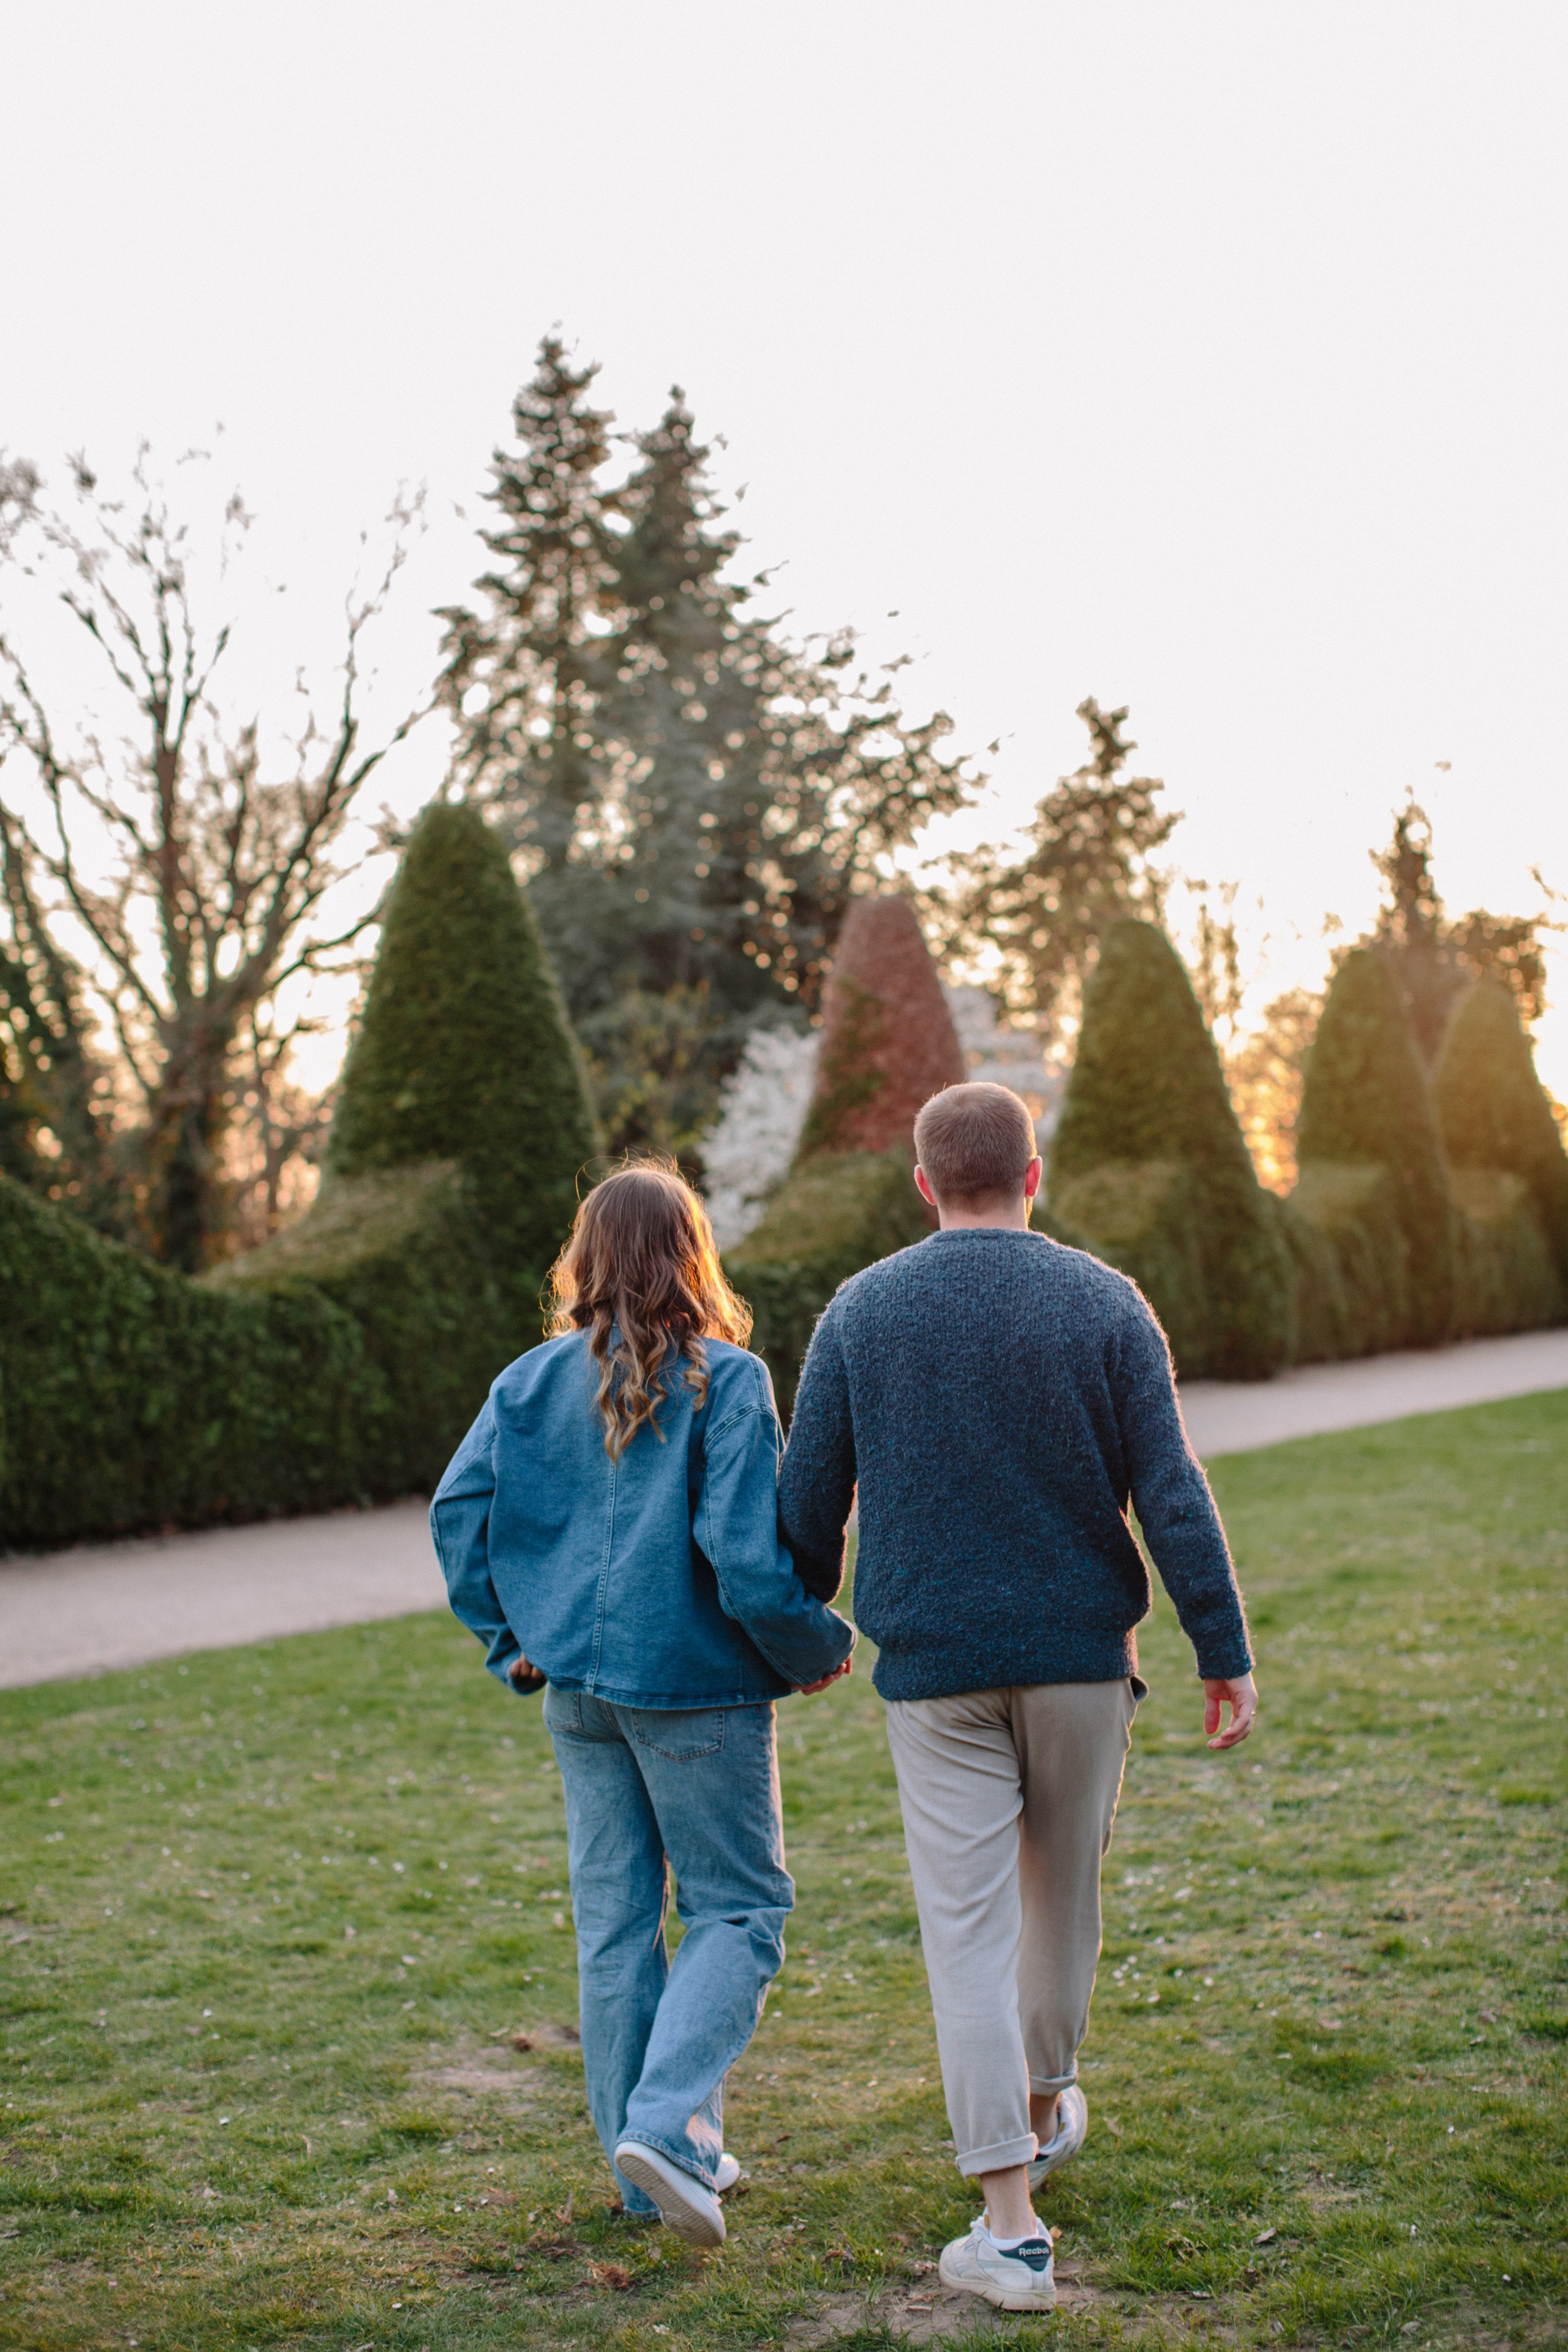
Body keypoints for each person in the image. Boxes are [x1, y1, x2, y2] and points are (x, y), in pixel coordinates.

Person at [778, 1082, 1257, 2315]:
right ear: (1032, 1177)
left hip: (933, 1674)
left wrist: (795, 1623)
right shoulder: (1101, 1301)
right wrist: (1221, 1646)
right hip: (1079, 1661)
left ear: (924, 1182)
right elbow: (1169, 1486)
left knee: (966, 1936)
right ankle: (1036, 2122)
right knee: (1062, 1911)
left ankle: (1009, 2217)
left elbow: (807, 1501)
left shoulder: (860, 1311)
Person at [431, 1162, 853, 2248]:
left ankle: (649, 2167)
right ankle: (665, 2133)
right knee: (741, 1911)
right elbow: (747, 1563)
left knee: (616, 1926)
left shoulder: (526, 1383)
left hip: (575, 1689)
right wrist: (816, 1647)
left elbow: (455, 1514)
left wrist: (511, 1642)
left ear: (587, 1257)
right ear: (692, 1255)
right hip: (695, 1689)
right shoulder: (732, 1379)